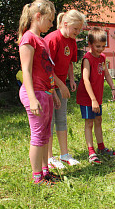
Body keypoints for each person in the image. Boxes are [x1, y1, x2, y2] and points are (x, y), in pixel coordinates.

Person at [18, 0, 61, 185]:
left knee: (46, 135)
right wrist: (33, 98)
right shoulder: (28, 38)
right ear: (38, 16)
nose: (52, 24)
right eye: (50, 20)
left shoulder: (41, 40)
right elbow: (25, 70)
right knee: (37, 136)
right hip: (34, 92)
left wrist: (54, 93)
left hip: (46, 93)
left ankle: (45, 171)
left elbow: (48, 70)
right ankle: (37, 177)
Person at [44, 10, 86, 169]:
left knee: (61, 120)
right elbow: (46, 68)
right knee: (50, 121)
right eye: (76, 29)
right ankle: (49, 158)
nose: (77, 32)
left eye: (79, 29)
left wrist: (71, 79)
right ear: (66, 24)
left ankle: (64, 154)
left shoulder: (72, 41)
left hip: (61, 84)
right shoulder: (52, 39)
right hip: (48, 85)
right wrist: (60, 86)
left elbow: (69, 62)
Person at [76, 27, 115, 165]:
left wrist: (112, 87)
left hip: (97, 96)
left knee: (98, 120)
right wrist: (93, 100)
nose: (101, 49)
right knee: (89, 123)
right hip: (87, 97)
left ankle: (101, 147)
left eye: (103, 46)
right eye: (98, 46)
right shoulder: (87, 59)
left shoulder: (102, 57)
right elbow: (85, 79)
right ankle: (91, 151)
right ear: (90, 44)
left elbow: (106, 74)